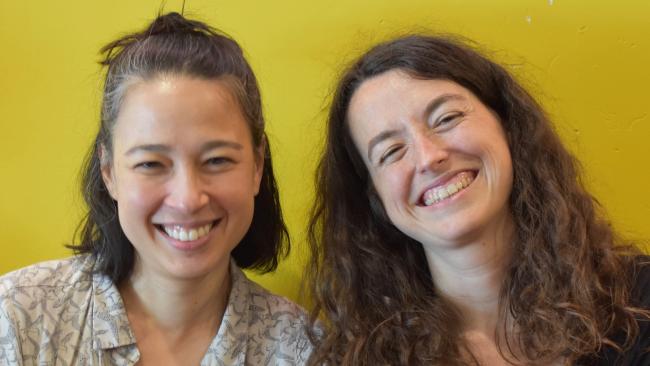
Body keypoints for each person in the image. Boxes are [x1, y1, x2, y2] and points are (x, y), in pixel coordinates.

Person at [306, 34, 650, 365]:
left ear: (507, 125)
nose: (428, 157)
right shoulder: (364, 360)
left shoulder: (639, 300)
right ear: (375, 200)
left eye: (447, 118)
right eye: (391, 151)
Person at [0, 12, 312, 365]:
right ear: (109, 171)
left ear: (257, 165)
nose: (188, 198)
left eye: (217, 160)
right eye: (151, 164)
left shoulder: (304, 350)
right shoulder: (17, 317)